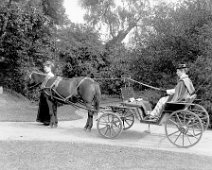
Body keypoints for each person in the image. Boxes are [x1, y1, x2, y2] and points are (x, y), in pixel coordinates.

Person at [36, 60, 57, 125]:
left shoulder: (51, 75)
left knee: (47, 106)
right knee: (43, 106)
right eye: (44, 67)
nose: (44, 68)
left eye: (46, 67)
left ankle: (47, 120)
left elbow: (49, 85)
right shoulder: (47, 75)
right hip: (44, 92)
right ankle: (44, 120)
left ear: (49, 67)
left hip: (48, 93)